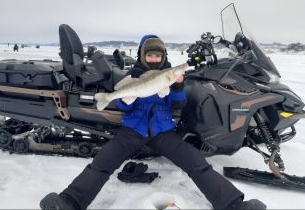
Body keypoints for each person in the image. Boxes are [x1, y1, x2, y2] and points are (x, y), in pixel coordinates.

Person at [40, 35, 266, 210]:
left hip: (163, 133)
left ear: (163, 57)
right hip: (132, 131)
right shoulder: (132, 78)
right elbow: (123, 106)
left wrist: (177, 88)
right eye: (150, 56)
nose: (154, 60)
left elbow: (178, 105)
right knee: (102, 162)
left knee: (197, 163)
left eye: (158, 56)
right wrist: (127, 100)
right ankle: (70, 201)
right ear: (142, 56)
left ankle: (233, 204)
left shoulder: (169, 75)